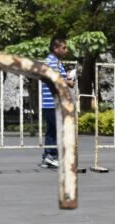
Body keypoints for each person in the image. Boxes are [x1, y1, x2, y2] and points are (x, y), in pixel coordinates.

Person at [40, 36, 74, 169]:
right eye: (63, 48)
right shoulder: (51, 62)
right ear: (55, 48)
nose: (66, 50)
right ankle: (52, 156)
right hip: (53, 103)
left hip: (51, 103)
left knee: (52, 131)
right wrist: (68, 82)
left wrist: (67, 77)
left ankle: (47, 157)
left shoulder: (54, 62)